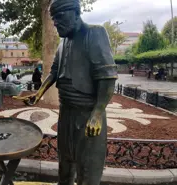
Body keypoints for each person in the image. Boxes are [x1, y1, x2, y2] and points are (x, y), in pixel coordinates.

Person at [14, 0, 117, 184]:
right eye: (54, 19)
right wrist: (38, 94)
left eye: (60, 17)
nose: (55, 23)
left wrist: (98, 113)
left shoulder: (94, 33)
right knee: (65, 165)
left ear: (76, 13)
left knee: (88, 172)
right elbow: (54, 71)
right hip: (66, 113)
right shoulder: (63, 43)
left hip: (87, 115)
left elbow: (107, 77)